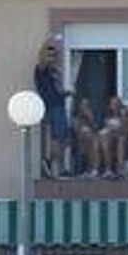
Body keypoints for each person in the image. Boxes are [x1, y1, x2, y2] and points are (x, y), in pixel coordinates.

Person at [33, 42, 69, 178]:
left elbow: (57, 91)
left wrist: (67, 93)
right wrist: (49, 44)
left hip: (58, 105)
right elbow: (42, 61)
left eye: (54, 55)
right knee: (57, 138)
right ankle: (58, 168)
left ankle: (50, 163)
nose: (52, 58)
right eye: (49, 55)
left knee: (62, 139)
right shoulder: (40, 69)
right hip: (51, 107)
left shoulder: (54, 71)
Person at [96, 95, 127, 179]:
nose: (115, 106)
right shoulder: (105, 114)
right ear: (110, 105)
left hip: (121, 136)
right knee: (105, 142)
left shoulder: (124, 114)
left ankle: (120, 169)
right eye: (113, 104)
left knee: (120, 140)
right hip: (108, 136)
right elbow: (101, 128)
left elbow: (125, 129)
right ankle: (108, 169)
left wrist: (123, 116)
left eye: (117, 103)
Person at [71, 99, 101, 177]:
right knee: (86, 142)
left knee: (93, 143)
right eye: (83, 105)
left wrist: (90, 117)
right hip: (80, 140)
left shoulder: (93, 115)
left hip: (92, 138)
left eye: (86, 105)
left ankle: (94, 169)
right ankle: (87, 169)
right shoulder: (76, 118)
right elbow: (76, 131)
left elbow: (96, 129)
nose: (84, 107)